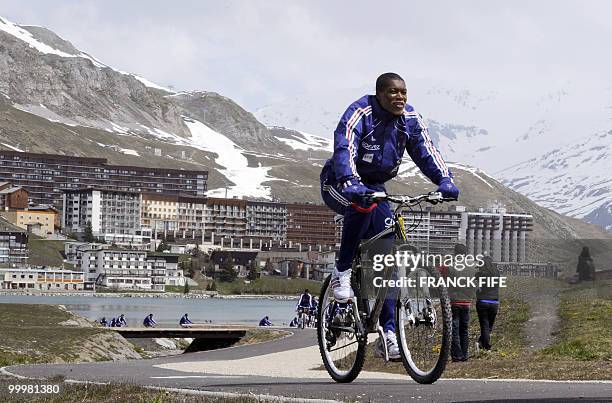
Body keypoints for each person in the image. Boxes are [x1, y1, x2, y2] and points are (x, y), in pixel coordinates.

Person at [320, 72, 459, 360]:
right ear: (380, 94)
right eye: (394, 92)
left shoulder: (409, 119)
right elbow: (344, 145)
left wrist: (444, 180)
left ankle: (389, 334)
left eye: (404, 92)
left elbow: (425, 151)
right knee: (361, 206)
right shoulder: (361, 112)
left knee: (388, 258)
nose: (400, 97)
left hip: (375, 186)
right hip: (339, 182)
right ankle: (342, 271)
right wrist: (349, 181)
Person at [445, 244, 477, 362]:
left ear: (455, 253)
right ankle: (465, 355)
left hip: (454, 302)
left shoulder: (451, 266)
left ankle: (457, 355)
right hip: (467, 302)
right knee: (464, 329)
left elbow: (442, 279)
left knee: (454, 329)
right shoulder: (473, 267)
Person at [475, 256, 500, 350]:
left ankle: (485, 345)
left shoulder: (479, 274)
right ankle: (482, 343)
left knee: (484, 324)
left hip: (482, 301)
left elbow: (475, 285)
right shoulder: (496, 273)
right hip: (494, 301)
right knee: (489, 326)